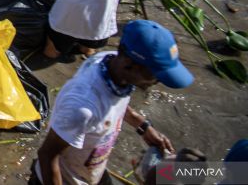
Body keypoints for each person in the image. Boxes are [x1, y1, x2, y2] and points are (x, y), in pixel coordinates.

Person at [31, 19, 194, 185]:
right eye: (155, 75)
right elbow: (47, 156)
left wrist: (143, 126)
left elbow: (114, 102)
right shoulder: (81, 108)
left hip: (91, 171)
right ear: (130, 64)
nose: (156, 82)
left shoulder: (109, 63)